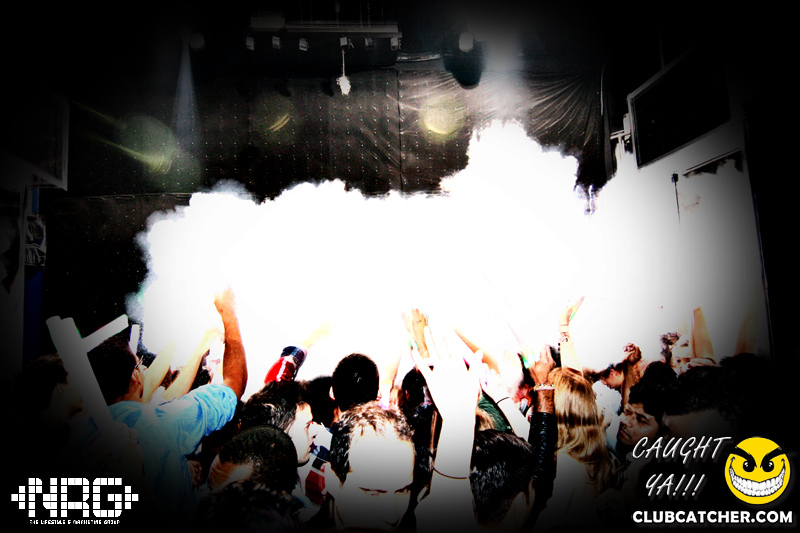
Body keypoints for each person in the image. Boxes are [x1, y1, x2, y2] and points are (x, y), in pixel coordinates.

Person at [86, 288, 247, 523]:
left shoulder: (77, 432)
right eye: (139, 365)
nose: (144, 369)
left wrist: (196, 348)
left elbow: (169, 397)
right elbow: (232, 388)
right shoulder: (156, 426)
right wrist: (229, 314)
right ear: (135, 377)